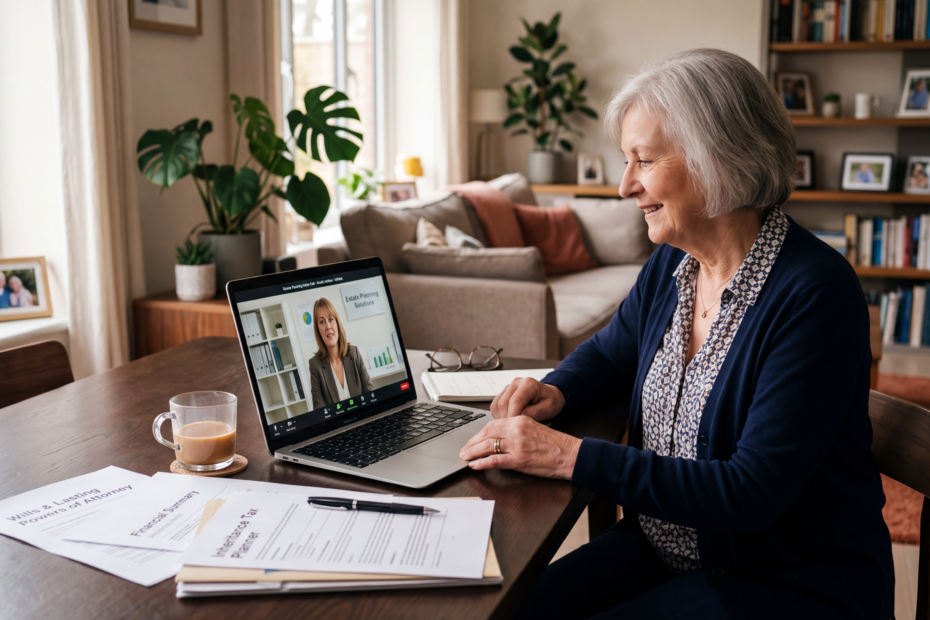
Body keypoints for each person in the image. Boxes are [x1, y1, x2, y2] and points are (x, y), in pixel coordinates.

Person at [460, 48, 893, 619]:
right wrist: (556, 390)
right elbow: (612, 353)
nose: (624, 186)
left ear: (718, 157)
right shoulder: (672, 266)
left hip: (784, 579)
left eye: (642, 160)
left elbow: (749, 492)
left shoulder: (816, 294)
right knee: (507, 608)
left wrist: (570, 456)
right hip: (667, 548)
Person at [307, 297, 374, 410]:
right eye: (322, 322)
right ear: (318, 329)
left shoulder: (354, 353)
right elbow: (320, 412)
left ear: (337, 323)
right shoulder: (315, 365)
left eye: (331, 319)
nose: (328, 326)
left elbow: (370, 395)